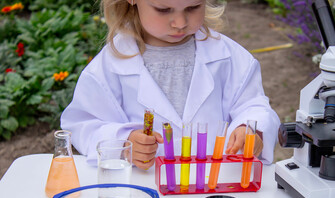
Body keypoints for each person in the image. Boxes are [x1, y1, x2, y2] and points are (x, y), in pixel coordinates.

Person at [61, 0, 280, 169]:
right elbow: (83, 125)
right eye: (164, 10)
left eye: (193, 7)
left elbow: (253, 105)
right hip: (143, 189)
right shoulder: (107, 68)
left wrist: (250, 128)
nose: (180, 23)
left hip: (214, 186)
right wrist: (124, 143)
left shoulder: (229, 58)